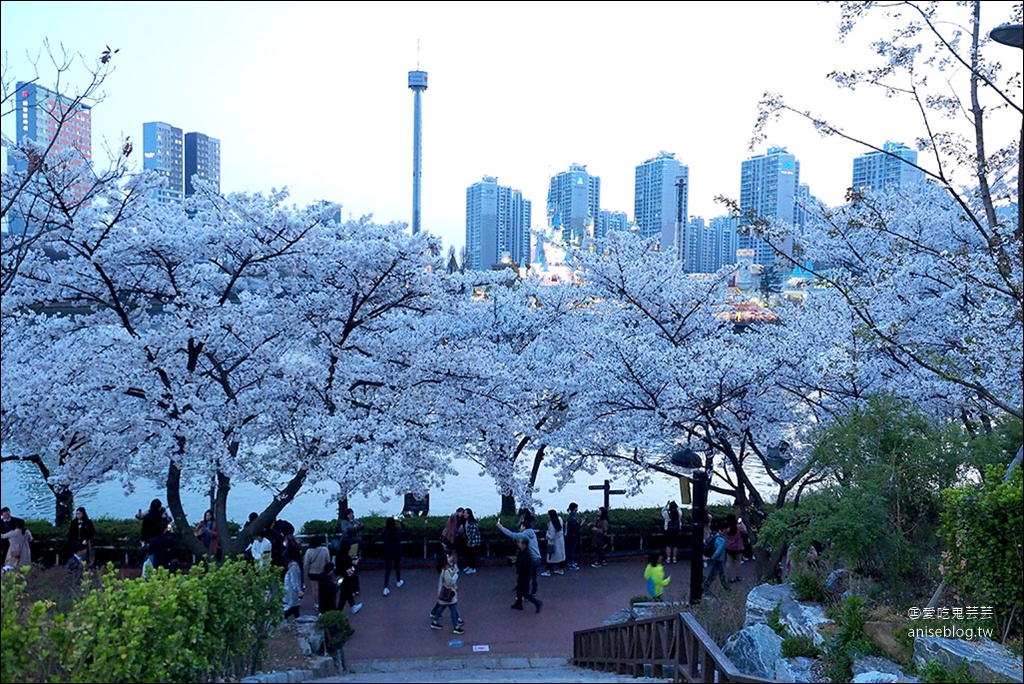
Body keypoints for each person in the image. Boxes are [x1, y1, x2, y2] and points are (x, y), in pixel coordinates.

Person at [497, 517, 541, 596]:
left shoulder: (524, 535)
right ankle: (533, 593)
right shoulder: (532, 533)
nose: (519, 528)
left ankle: (525, 595)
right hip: (537, 558)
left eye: (521, 526)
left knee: (525, 578)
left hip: (530, 559)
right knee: (534, 577)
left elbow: (512, 535)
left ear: (524, 527)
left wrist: (501, 528)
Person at [430, 550, 464, 634]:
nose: (450, 558)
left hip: (445, 594)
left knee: (442, 607)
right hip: (449, 594)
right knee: (453, 609)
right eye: (448, 557)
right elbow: (449, 583)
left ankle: (435, 621)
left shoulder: (446, 569)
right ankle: (456, 626)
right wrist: (456, 576)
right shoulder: (446, 571)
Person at [511, 538, 543, 613]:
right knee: (519, 589)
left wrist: (515, 563)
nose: (518, 543)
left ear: (524, 544)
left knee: (524, 592)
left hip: (525, 574)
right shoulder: (521, 551)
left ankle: (537, 602)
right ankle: (518, 603)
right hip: (522, 573)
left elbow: (523, 565)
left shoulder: (526, 554)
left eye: (520, 542)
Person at [138, 498, 170, 569]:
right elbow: (168, 521)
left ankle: (148, 572)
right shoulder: (161, 516)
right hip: (160, 539)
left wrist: (142, 539)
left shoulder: (148, 515)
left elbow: (143, 527)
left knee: (149, 557)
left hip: (148, 539)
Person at [380, 516, 407, 595]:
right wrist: (401, 522)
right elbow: (404, 531)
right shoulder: (396, 532)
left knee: (388, 569)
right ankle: (398, 581)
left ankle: (385, 587)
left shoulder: (384, 532)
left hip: (387, 551)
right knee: (397, 566)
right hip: (396, 551)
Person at [335, 542, 363, 615]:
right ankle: (339, 611)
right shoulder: (346, 558)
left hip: (340, 576)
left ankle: (353, 606)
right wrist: (355, 563)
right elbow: (351, 568)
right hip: (347, 577)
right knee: (344, 595)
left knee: (347, 592)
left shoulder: (338, 556)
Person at [303, 537, 331, 610]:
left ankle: (316, 603)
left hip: (312, 572)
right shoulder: (325, 550)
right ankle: (324, 602)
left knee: (315, 589)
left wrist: (305, 573)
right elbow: (328, 561)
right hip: (323, 572)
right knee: (324, 588)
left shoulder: (309, 551)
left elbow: (306, 563)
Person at [282, 533, 303, 618]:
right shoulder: (295, 565)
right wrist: (299, 591)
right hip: (292, 591)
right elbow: (295, 580)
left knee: (294, 608)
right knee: (293, 607)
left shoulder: (289, 562)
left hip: (289, 589)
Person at [703, 524, 729, 594]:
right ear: (724, 529)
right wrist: (713, 557)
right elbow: (719, 550)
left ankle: (726, 588)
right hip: (719, 559)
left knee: (714, 574)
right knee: (716, 574)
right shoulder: (721, 539)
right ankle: (726, 589)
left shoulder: (717, 536)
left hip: (717, 559)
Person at [723, 513, 747, 583]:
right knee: (739, 561)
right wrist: (741, 522)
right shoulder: (739, 527)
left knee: (728, 561)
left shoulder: (726, 528)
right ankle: (738, 576)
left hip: (728, 546)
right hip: (738, 546)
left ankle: (729, 577)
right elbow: (745, 530)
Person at [541, 509, 566, 576]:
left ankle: (548, 571)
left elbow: (551, 537)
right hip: (560, 542)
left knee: (550, 558)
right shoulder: (560, 520)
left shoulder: (552, 526)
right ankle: (561, 569)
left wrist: (547, 533)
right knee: (561, 556)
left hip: (553, 544)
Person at [565, 502, 585, 571]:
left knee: (572, 549)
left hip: (573, 536)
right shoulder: (571, 518)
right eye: (576, 508)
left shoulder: (573, 516)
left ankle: (571, 562)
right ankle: (571, 563)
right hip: (572, 536)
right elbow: (575, 527)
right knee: (571, 550)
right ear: (574, 509)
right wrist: (581, 523)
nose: (577, 509)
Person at [461, 508, 481, 574]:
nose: (464, 514)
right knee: (468, 554)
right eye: (464, 513)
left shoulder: (472, 522)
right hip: (469, 540)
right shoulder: (466, 521)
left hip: (473, 541)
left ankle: (473, 568)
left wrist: (469, 541)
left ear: (469, 514)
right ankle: (470, 566)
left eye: (466, 513)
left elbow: (474, 532)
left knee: (472, 554)